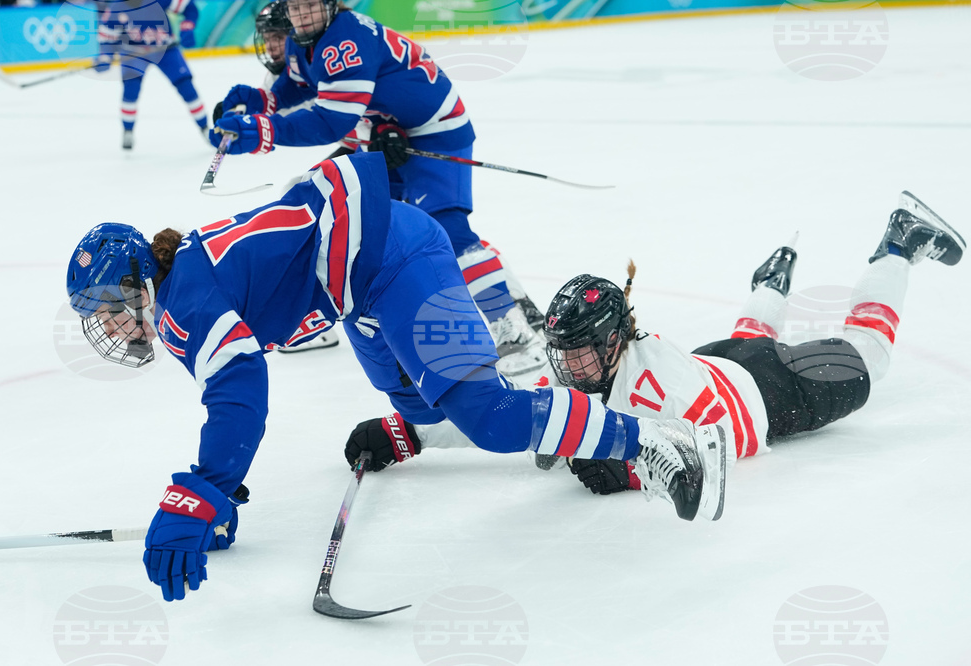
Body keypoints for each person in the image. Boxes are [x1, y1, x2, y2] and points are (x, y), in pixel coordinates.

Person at [65, 152, 728, 603]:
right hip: (366, 286)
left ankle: (651, 441)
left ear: (136, 284)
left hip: (395, 259)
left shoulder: (182, 304)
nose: (109, 327)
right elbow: (238, 393)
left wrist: (200, 494)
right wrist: (219, 497)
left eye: (107, 308)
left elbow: (240, 396)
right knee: (423, 409)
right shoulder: (182, 283)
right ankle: (557, 417)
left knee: (492, 421)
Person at [344, 191, 964, 505]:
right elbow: (501, 411)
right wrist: (410, 434)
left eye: (583, 351)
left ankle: (898, 245)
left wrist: (631, 470)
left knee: (869, 354)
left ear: (615, 341)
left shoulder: (662, 380)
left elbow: (715, 444)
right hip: (719, 361)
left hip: (770, 390)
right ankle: (769, 286)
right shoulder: (588, 369)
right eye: (564, 351)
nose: (570, 366)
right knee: (749, 338)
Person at [210, 0, 547, 375]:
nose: (302, 14)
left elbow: (330, 121)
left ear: (330, 5)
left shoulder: (346, 40)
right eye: (295, 6)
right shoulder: (303, 40)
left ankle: (514, 327)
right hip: (381, 135)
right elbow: (298, 87)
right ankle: (315, 321)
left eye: (310, 5)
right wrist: (260, 102)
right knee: (321, 209)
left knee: (449, 232)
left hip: (433, 132)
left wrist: (261, 131)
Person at [94, 0, 209, 150]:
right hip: (134, 52)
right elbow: (107, 36)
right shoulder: (116, 7)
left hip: (165, 49)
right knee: (131, 89)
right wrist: (105, 57)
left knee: (185, 86)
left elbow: (189, 7)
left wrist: (187, 26)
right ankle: (128, 130)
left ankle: (205, 127)